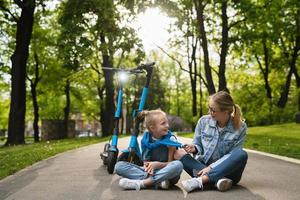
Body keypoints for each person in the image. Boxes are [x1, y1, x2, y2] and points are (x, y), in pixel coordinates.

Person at [174, 91, 248, 192]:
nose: (209, 112)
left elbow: (232, 155)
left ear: (225, 112)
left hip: (228, 172)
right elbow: (198, 144)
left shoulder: (240, 127)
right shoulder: (203, 122)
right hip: (201, 168)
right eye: (209, 108)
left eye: (213, 110)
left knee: (241, 154)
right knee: (178, 153)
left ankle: (203, 180)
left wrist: (211, 168)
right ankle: (218, 182)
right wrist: (194, 148)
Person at [115, 109, 183, 190]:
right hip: (151, 172)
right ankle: (158, 182)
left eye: (167, 122)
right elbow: (146, 163)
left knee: (178, 165)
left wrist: (158, 164)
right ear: (152, 128)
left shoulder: (170, 140)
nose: (167, 125)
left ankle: (143, 183)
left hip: (167, 173)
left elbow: (171, 163)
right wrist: (148, 168)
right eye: (163, 123)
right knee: (119, 166)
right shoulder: (146, 141)